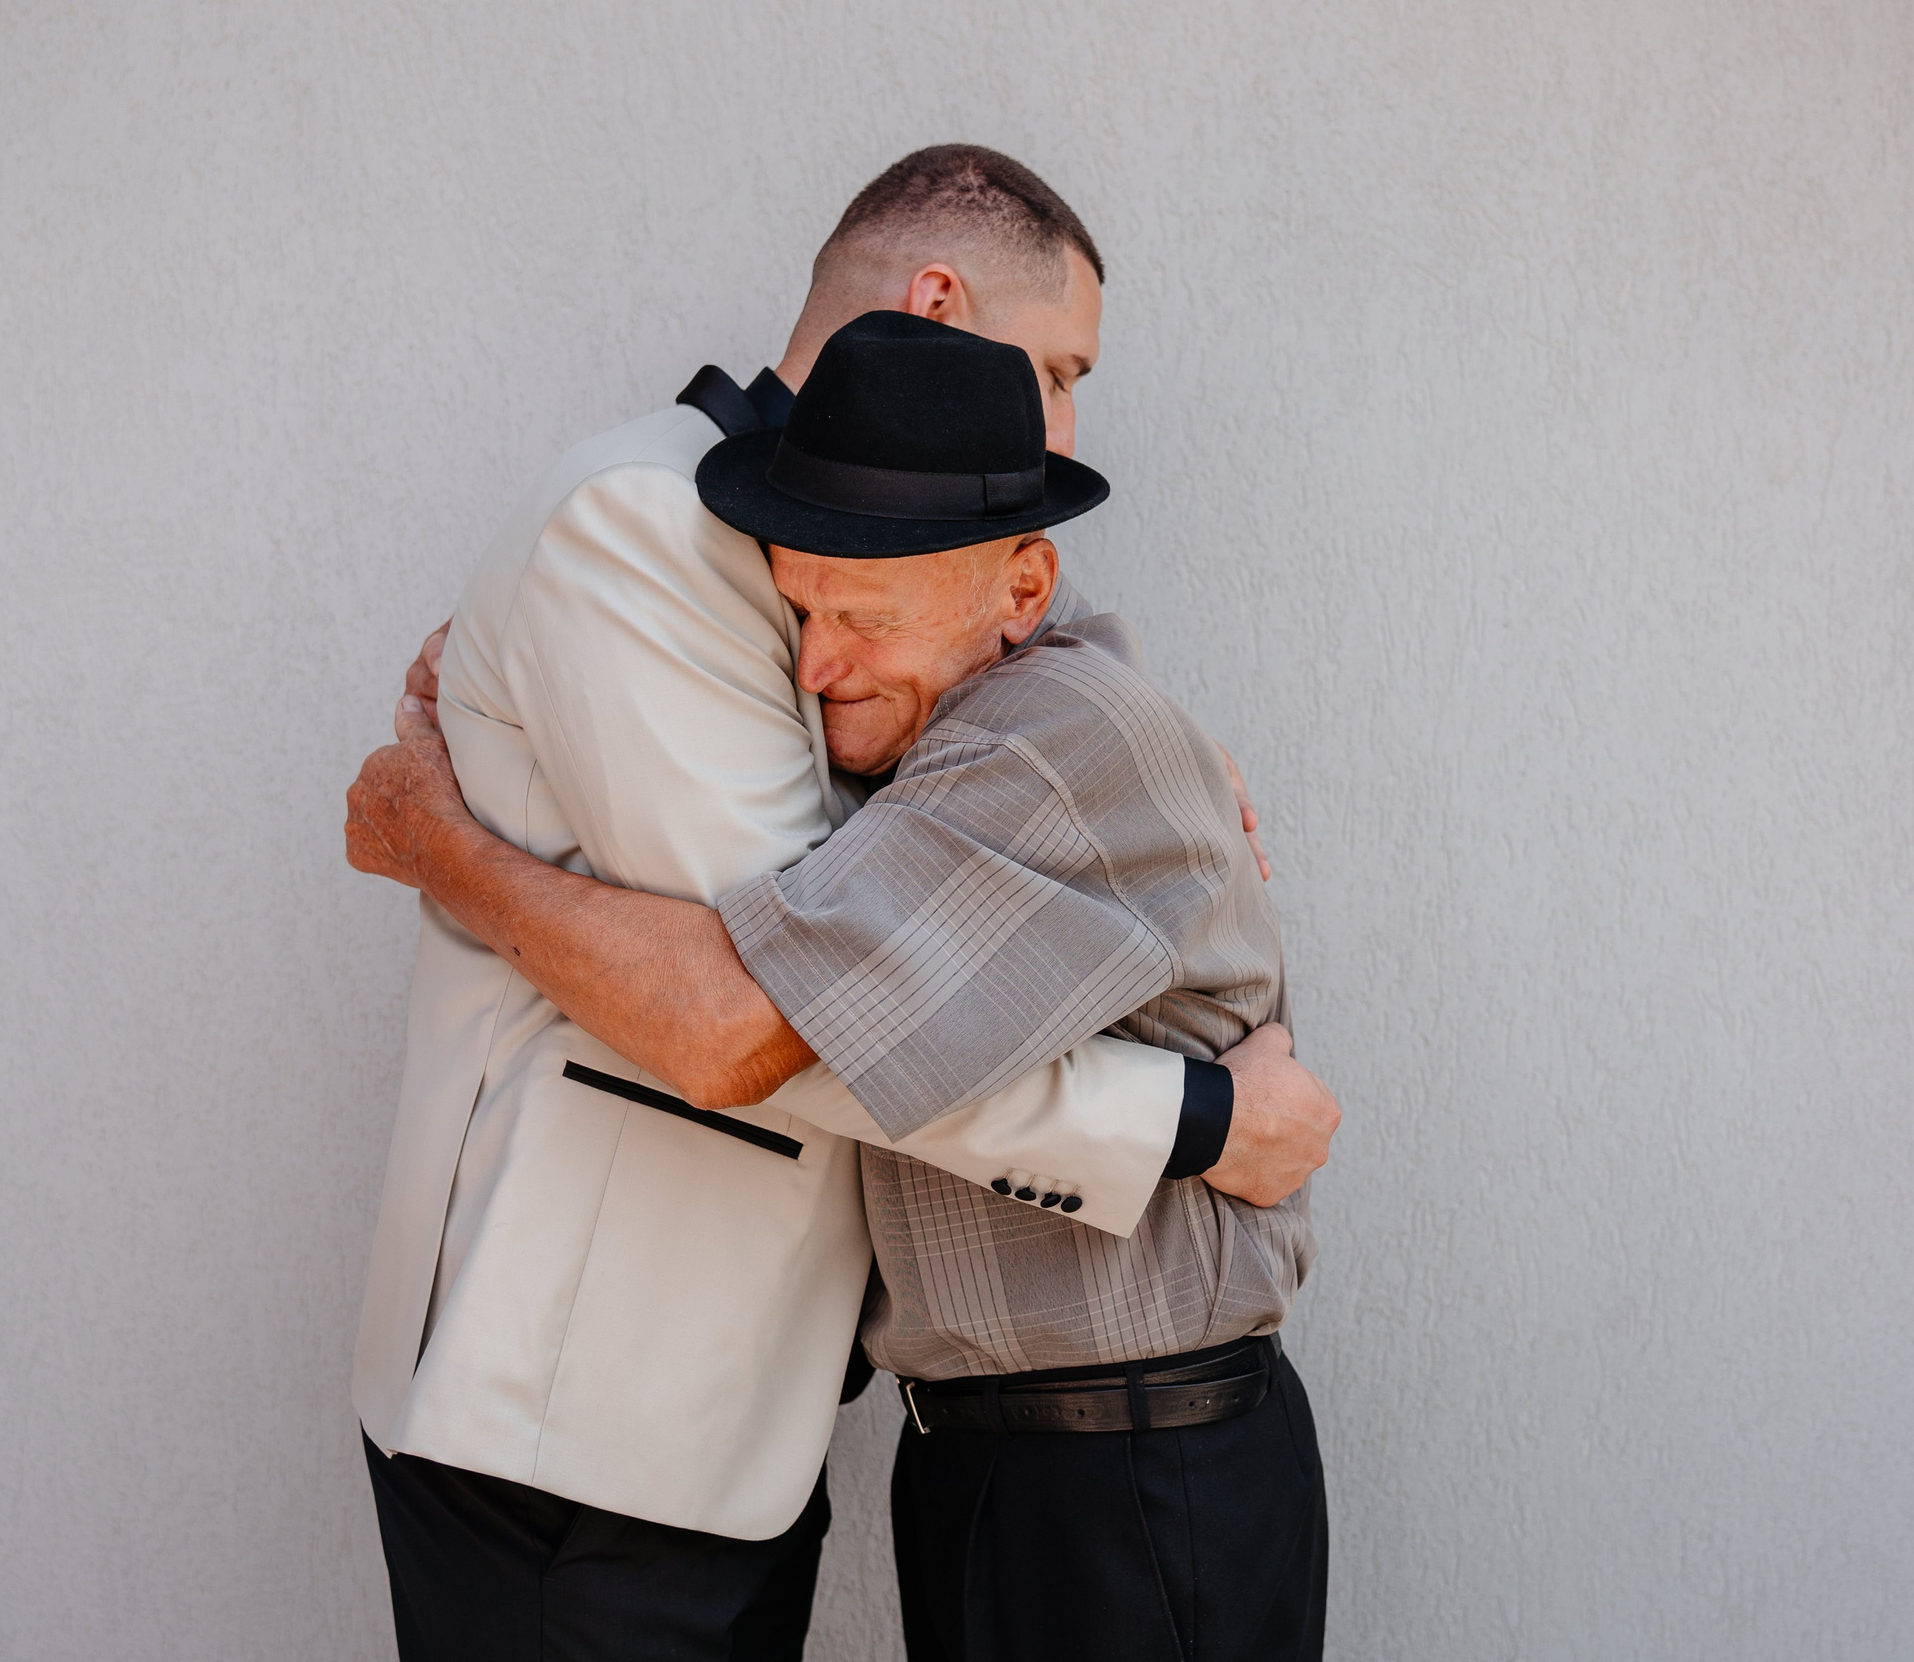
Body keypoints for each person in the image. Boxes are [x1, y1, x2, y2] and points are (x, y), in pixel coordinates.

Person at [344, 145, 1341, 1660]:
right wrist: (1197, 1123)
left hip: (741, 1431)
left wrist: (1141, 764)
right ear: (937, 308)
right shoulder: (646, 535)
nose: (1063, 423)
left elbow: (949, 814)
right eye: (1059, 373)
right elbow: (763, 1020)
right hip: (580, 1430)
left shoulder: (965, 623)